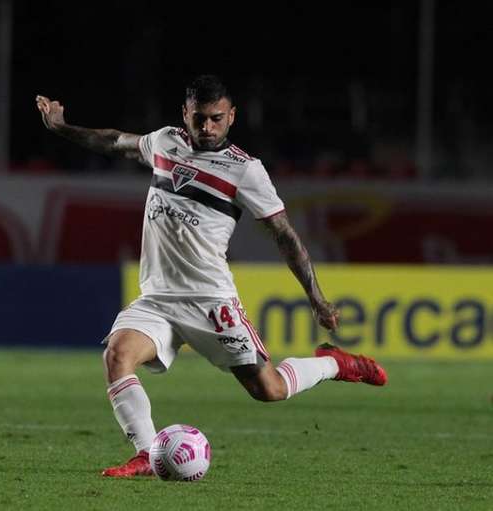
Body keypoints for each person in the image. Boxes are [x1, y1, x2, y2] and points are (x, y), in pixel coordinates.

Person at [35, 75, 387, 478]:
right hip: (158, 299)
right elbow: (116, 142)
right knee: (117, 355)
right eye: (199, 118)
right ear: (185, 113)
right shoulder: (166, 142)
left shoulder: (245, 170)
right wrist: (62, 128)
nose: (207, 127)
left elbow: (285, 236)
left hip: (210, 301)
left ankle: (332, 364)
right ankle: (148, 455)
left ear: (231, 116)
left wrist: (316, 297)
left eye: (216, 118)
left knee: (268, 390)